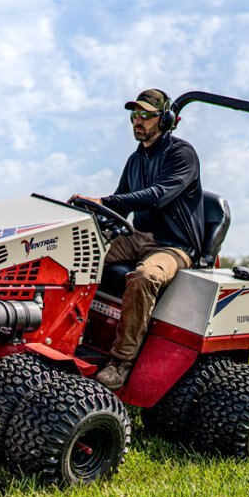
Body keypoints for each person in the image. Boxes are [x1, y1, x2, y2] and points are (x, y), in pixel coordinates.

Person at [78, 89, 205, 390]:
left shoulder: (181, 154)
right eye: (135, 115)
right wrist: (89, 208)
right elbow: (121, 202)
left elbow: (159, 196)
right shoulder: (135, 160)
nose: (138, 120)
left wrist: (106, 199)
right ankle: (71, 334)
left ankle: (121, 362)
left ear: (166, 120)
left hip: (174, 246)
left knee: (145, 276)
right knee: (81, 252)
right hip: (139, 237)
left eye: (146, 115)